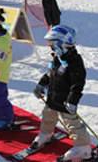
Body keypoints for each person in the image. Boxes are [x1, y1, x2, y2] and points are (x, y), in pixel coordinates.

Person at [32, 25, 91, 161]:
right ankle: (45, 134)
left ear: (62, 43)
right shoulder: (57, 57)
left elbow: (78, 83)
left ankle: (83, 147)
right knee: (48, 115)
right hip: (53, 97)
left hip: (65, 100)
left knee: (72, 123)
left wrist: (72, 100)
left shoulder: (74, 61)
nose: (50, 47)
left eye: (52, 43)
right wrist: (41, 84)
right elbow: (49, 73)